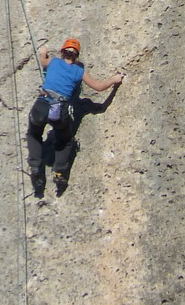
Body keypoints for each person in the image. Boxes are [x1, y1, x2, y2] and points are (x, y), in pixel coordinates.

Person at [26, 38, 123, 195]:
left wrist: (43, 51)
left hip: (42, 104)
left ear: (62, 51)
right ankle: (59, 173)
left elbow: (43, 62)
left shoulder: (54, 62)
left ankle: (36, 165)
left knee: (33, 133)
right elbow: (99, 87)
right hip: (60, 109)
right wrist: (115, 79)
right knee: (65, 141)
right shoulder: (79, 71)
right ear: (76, 56)